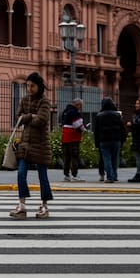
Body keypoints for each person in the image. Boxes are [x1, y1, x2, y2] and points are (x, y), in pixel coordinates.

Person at [9, 72, 53, 219]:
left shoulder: (45, 101)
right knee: (21, 173)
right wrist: (30, 116)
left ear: (39, 86)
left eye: (32, 86)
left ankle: (44, 205)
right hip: (25, 142)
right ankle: (22, 205)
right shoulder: (24, 99)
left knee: (43, 176)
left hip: (40, 142)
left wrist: (27, 117)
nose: (29, 88)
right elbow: (18, 118)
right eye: (27, 85)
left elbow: (42, 120)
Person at [94, 97, 125, 183]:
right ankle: (114, 176)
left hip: (104, 140)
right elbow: (122, 128)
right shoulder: (117, 115)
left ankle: (110, 177)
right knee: (115, 158)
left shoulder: (99, 116)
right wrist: (123, 139)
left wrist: (96, 142)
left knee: (106, 158)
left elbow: (96, 131)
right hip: (116, 139)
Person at [61, 98, 86, 182]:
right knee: (74, 156)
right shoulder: (74, 112)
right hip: (73, 137)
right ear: (77, 104)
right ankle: (74, 175)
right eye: (80, 106)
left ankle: (66, 175)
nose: (80, 108)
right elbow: (77, 125)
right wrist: (84, 130)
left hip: (65, 137)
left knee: (67, 157)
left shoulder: (65, 111)